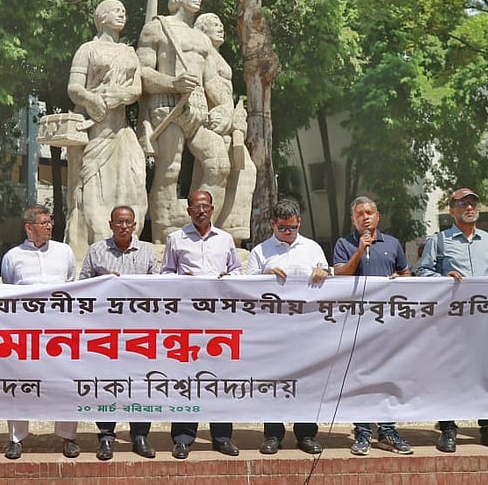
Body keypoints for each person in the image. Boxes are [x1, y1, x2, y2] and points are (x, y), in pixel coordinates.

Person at [415, 187, 488, 453]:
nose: (469, 208)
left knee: (486, 372)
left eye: (472, 203)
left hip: (484, 320)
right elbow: (422, 272)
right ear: (452, 210)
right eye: (462, 204)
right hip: (451, 321)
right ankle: (448, 428)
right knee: (450, 373)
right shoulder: (439, 240)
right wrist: (443, 279)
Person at [138, 0, 231, 242]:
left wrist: (225, 106)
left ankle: (201, 227)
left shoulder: (202, 39)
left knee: (219, 164)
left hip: (199, 110)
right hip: (168, 106)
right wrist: (172, 82)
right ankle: (163, 235)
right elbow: (142, 72)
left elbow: (211, 79)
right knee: (170, 170)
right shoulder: (158, 28)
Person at [161, 189, 241, 458]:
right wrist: (184, 281)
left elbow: (238, 272)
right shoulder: (176, 238)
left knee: (219, 379)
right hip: (187, 321)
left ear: (213, 208)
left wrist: (227, 277)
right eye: (196, 206)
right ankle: (183, 437)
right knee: (187, 380)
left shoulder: (226, 239)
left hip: (219, 321)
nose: (201, 210)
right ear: (189, 211)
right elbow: (166, 274)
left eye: (205, 206)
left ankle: (222, 436)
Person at [64, 0, 147, 254]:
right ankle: (92, 243)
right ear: (101, 17)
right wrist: (91, 99)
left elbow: (137, 87)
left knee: (132, 179)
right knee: (92, 186)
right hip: (94, 129)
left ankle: (128, 238)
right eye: (115, 10)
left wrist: (122, 96)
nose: (122, 13)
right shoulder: (87, 49)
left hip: (120, 128)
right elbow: (74, 88)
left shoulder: (129, 52)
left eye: (124, 9)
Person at [331, 195, 413, 456]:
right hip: (358, 323)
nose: (364, 217)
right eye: (359, 214)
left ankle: (388, 431)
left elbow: (406, 274)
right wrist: (359, 250)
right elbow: (341, 274)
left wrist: (398, 278)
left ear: (377, 216)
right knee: (361, 379)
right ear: (353, 220)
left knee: (388, 377)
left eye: (369, 213)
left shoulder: (392, 243)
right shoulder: (345, 244)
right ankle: (363, 432)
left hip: (388, 323)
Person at [78, 205, 160, 460]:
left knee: (140, 384)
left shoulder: (147, 251)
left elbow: (159, 288)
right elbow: (83, 286)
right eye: (119, 222)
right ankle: (105, 437)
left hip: (140, 332)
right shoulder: (97, 251)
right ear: (110, 224)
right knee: (106, 384)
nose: (124, 226)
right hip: (106, 332)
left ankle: (140, 435)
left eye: (128, 222)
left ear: (135, 225)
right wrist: (103, 283)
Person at [247, 198, 327, 456]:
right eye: (283, 228)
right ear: (273, 224)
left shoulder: (313, 248)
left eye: (292, 227)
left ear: (299, 223)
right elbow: (246, 288)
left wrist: (323, 273)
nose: (288, 233)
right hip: (273, 330)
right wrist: (265, 277)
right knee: (274, 382)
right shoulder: (261, 251)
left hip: (306, 329)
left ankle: (305, 434)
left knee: (306, 381)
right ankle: (273, 433)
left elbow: (329, 279)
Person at [0, 204, 80, 459]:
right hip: (24, 332)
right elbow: (8, 290)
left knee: (65, 382)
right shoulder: (13, 256)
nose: (49, 226)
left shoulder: (65, 252)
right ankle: (16, 438)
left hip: (60, 331)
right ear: (28, 227)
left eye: (50, 221)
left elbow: (71, 285)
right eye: (43, 223)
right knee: (20, 382)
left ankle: (68, 436)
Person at [193, 12, 255, 242]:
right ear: (202, 29)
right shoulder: (204, 53)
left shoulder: (218, 56)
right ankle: (204, 230)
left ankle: (231, 234)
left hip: (228, 122)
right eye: (213, 25)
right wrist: (227, 109)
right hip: (212, 122)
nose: (220, 28)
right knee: (221, 171)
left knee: (246, 171)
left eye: (220, 24)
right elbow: (209, 83)